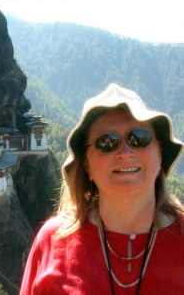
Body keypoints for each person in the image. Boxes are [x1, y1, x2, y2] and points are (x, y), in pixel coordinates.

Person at [19, 83, 184, 295]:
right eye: (106, 142)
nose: (125, 152)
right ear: (86, 164)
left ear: (160, 153)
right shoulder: (53, 241)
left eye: (140, 138)